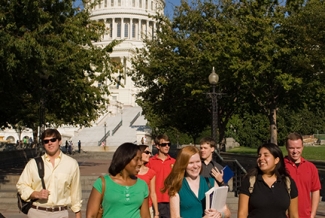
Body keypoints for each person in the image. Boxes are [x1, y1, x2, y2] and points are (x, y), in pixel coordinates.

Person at [16, 129, 82, 218]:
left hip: (60, 213)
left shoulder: (71, 164)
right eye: (46, 141)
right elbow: (21, 185)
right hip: (37, 211)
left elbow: (75, 191)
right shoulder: (33, 163)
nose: (50, 143)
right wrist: (35, 194)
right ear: (43, 144)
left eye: (53, 140)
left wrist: (78, 213)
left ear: (59, 141)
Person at [162, 146, 231, 218]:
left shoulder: (211, 183)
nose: (195, 166)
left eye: (198, 161)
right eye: (191, 163)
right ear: (183, 165)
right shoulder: (177, 186)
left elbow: (227, 212)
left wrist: (219, 214)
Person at [86, 142, 150, 218]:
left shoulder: (142, 185)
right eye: (137, 159)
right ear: (125, 159)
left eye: (140, 159)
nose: (140, 163)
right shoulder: (102, 183)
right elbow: (91, 215)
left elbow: (145, 216)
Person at [237, 143, 299, 218]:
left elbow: (294, 215)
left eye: (266, 155)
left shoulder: (288, 183)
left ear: (276, 160)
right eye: (259, 155)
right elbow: (242, 214)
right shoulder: (250, 181)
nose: (261, 158)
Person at [285, 133, 321, 218]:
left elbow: (315, 190)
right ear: (286, 148)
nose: (295, 151)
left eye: (298, 148)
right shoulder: (280, 166)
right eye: (291, 148)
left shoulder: (311, 167)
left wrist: (312, 215)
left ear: (302, 147)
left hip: (305, 215)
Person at [147, 134, 176, 218]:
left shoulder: (174, 162)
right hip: (155, 201)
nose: (167, 146)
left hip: (170, 199)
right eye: (164, 144)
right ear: (157, 146)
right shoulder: (150, 162)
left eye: (169, 144)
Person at [137, 145, 159, 218]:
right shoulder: (130, 171)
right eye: (147, 152)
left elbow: (153, 193)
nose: (149, 155)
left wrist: (156, 213)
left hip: (147, 208)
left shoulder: (151, 173)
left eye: (150, 153)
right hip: (133, 207)